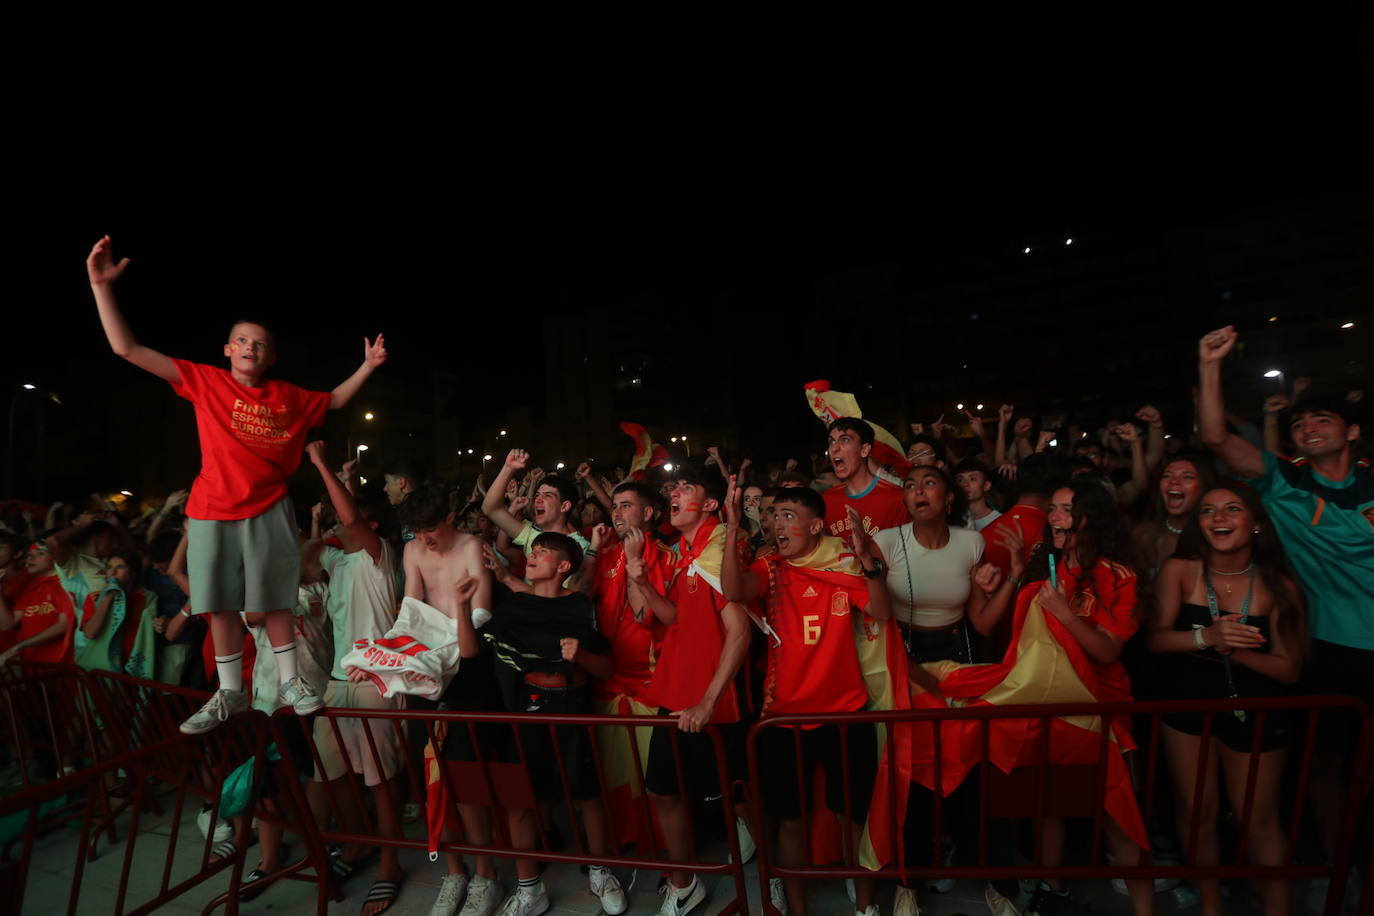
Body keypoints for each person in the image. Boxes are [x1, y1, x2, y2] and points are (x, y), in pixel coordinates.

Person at [85, 236, 388, 736]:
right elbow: (126, 348)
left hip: (269, 506)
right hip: (210, 508)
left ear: (270, 358)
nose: (250, 347)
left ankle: (291, 681)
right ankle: (229, 692)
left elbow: (333, 401)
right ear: (227, 350)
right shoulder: (204, 381)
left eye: (260, 343)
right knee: (219, 602)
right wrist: (100, 286)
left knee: (274, 599)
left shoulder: (287, 395)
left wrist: (369, 367)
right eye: (242, 340)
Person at [1197, 325, 1372, 898]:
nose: (1307, 427)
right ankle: (1340, 865)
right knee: (1325, 767)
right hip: (1329, 645)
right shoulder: (1283, 482)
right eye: (1300, 422)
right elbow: (1217, 436)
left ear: (1352, 432)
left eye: (1321, 419)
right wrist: (1210, 364)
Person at [720, 481, 889, 916]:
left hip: (845, 715)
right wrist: (733, 525)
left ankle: (866, 906)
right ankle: (796, 909)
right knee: (790, 822)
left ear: (816, 526)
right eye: (774, 515)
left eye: (789, 515)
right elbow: (736, 591)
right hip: (782, 719)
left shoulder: (845, 564)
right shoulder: (770, 567)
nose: (778, 523)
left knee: (853, 820)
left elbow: (883, 612)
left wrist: (868, 556)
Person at [1147, 486, 1305, 916]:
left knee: (1258, 818)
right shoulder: (1180, 570)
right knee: (1198, 811)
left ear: (1255, 523)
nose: (1218, 517)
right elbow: (1156, 639)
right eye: (1208, 510)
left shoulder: (1279, 583)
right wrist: (1206, 636)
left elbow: (1289, 669)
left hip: (1255, 707)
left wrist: (1238, 651)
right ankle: (1211, 908)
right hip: (1186, 702)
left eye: (1232, 508)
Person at [1012, 479, 1155, 916]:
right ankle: (1052, 893)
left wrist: (1066, 614)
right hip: (1052, 707)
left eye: (1064, 510)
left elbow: (1109, 649)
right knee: (1050, 808)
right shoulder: (1046, 565)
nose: (1053, 517)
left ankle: (1145, 909)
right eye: (1051, 508)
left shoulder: (1119, 575)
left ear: (1089, 518)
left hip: (1103, 711)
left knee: (1119, 821)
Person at [467, 532, 627, 916]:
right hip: (528, 706)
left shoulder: (580, 606)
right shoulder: (512, 607)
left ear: (563, 566)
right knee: (521, 800)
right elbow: (484, 653)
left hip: (573, 703)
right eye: (532, 550)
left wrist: (582, 656)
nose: (533, 555)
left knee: (588, 794)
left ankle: (600, 871)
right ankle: (529, 890)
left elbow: (607, 666)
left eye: (542, 552)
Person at [631, 465, 751, 916]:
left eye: (686, 487)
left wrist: (708, 700)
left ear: (713, 504)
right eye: (674, 488)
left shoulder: (721, 549)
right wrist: (642, 581)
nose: (673, 493)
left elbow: (739, 634)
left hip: (714, 704)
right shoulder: (686, 550)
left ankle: (776, 877)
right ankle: (683, 883)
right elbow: (673, 618)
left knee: (743, 799)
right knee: (663, 789)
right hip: (678, 694)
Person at [302, 441, 404, 916]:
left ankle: (389, 864)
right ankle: (358, 843)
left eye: (351, 521)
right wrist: (317, 527)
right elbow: (299, 553)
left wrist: (324, 467)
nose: (342, 525)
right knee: (333, 772)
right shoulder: (338, 561)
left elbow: (353, 522)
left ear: (372, 526)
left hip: (376, 682)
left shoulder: (378, 557)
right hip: (338, 681)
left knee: (381, 781)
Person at [394, 484, 503, 916]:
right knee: (430, 771)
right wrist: (394, 650)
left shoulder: (472, 545)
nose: (424, 539)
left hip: (467, 661)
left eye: (430, 529)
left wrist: (444, 649)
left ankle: (485, 874)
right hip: (426, 664)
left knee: (468, 774)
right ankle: (453, 871)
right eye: (417, 531)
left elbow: (481, 609)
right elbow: (410, 606)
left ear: (449, 519)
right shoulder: (414, 551)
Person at [583, 481, 674, 857]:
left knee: (654, 784)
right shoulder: (606, 555)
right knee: (617, 778)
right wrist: (592, 550)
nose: (616, 513)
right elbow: (579, 595)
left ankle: (662, 854)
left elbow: (646, 615)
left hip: (650, 689)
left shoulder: (669, 557)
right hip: (608, 683)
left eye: (626, 506)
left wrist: (636, 560)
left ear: (649, 513)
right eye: (615, 507)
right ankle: (623, 848)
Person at [1129, 452, 1217, 583]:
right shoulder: (1143, 535)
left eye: (1187, 477)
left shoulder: (1217, 538)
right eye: (1167, 476)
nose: (1174, 482)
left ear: (1205, 486)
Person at [822, 418, 909, 540]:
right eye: (831, 441)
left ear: (864, 450)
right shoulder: (826, 500)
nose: (834, 448)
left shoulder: (897, 499)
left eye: (845, 440)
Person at [0, 541, 76, 665]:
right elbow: (7, 624)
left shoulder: (62, 583)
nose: (31, 558)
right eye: (29, 554)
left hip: (58, 665)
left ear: (55, 557)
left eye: (40, 553)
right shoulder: (32, 587)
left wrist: (19, 646)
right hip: (33, 663)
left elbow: (64, 624)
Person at [954, 458, 1002, 532]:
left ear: (986, 486)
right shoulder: (951, 519)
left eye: (973, 479)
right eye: (960, 480)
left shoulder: (999, 520)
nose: (965, 484)